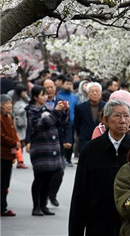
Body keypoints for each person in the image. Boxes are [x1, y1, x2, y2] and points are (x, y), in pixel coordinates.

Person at [69, 99, 130, 236]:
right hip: (98, 224)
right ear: (105, 119)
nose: (123, 120)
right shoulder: (91, 150)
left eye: (126, 116)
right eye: (117, 115)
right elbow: (80, 194)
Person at [27, 85, 70, 216]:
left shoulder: (49, 108)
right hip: (40, 149)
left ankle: (44, 205)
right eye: (42, 95)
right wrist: (56, 112)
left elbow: (59, 123)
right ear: (35, 97)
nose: (45, 97)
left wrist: (64, 112)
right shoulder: (31, 110)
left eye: (46, 95)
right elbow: (39, 125)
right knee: (39, 177)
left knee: (49, 177)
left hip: (52, 148)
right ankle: (36, 206)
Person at [1, 94, 20, 216]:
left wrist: (16, 145)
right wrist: (14, 143)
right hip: (2, 154)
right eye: (7, 103)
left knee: (5, 183)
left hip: (8, 154)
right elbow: (1, 136)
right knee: (1, 182)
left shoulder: (8, 117)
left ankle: (3, 206)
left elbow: (13, 132)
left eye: (10, 103)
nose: (10, 105)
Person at [74, 82, 106, 153]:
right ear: (88, 93)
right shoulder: (80, 107)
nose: (94, 93)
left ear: (100, 93)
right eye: (92, 91)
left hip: (102, 140)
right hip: (85, 141)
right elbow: (77, 124)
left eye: (97, 91)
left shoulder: (106, 106)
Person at [11, 82, 29, 169]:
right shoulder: (15, 101)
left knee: (22, 143)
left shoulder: (24, 99)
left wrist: (26, 97)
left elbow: (30, 102)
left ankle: (18, 159)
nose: (24, 93)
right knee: (19, 142)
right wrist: (24, 108)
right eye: (23, 92)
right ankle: (19, 161)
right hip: (18, 124)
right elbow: (16, 112)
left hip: (24, 124)